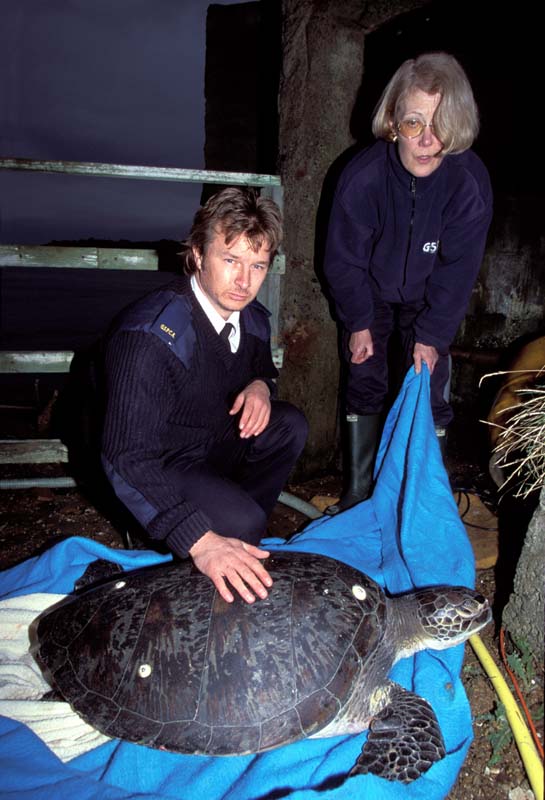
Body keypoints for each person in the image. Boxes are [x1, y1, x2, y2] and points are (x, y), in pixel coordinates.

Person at [101, 187, 308, 603]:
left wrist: (260, 387)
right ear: (197, 253)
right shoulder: (151, 337)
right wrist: (200, 539)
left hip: (210, 441)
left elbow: (262, 368)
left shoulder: (251, 318)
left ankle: (236, 530)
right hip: (161, 463)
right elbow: (125, 456)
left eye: (258, 265)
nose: (244, 281)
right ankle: (175, 535)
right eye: (230, 260)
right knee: (239, 523)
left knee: (288, 425)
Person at [323, 52, 493, 514]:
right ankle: (359, 493)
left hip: (429, 295)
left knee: (428, 385)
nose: (427, 140)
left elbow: (458, 271)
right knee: (365, 373)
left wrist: (432, 336)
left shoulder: (468, 183)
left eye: (442, 124)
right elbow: (342, 261)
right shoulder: (363, 178)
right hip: (370, 292)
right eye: (414, 122)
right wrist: (358, 321)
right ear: (394, 120)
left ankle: (425, 500)